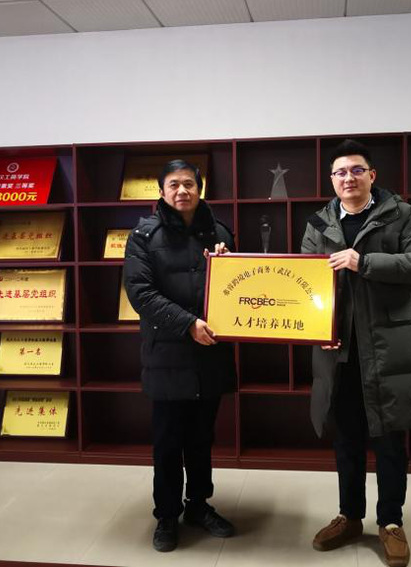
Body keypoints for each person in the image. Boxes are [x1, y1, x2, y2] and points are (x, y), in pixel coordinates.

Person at [301, 140, 411, 567]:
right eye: (340, 172)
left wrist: (365, 262)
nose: (349, 178)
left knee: (391, 439)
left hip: (387, 349)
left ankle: (391, 522)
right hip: (338, 351)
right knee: (346, 439)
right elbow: (306, 281)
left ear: (372, 176)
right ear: (331, 179)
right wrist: (311, 322)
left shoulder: (402, 214)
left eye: (357, 170)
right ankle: (350, 516)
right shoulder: (319, 223)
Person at [124, 159, 236, 553]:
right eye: (174, 184)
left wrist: (227, 263)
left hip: (210, 353)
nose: (182, 191)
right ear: (162, 192)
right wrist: (187, 323)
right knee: (168, 441)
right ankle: (167, 515)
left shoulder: (220, 231)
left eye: (189, 183)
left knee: (202, 437)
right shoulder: (143, 235)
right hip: (168, 352)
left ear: (199, 189)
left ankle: (199, 505)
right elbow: (140, 293)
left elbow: (237, 287)